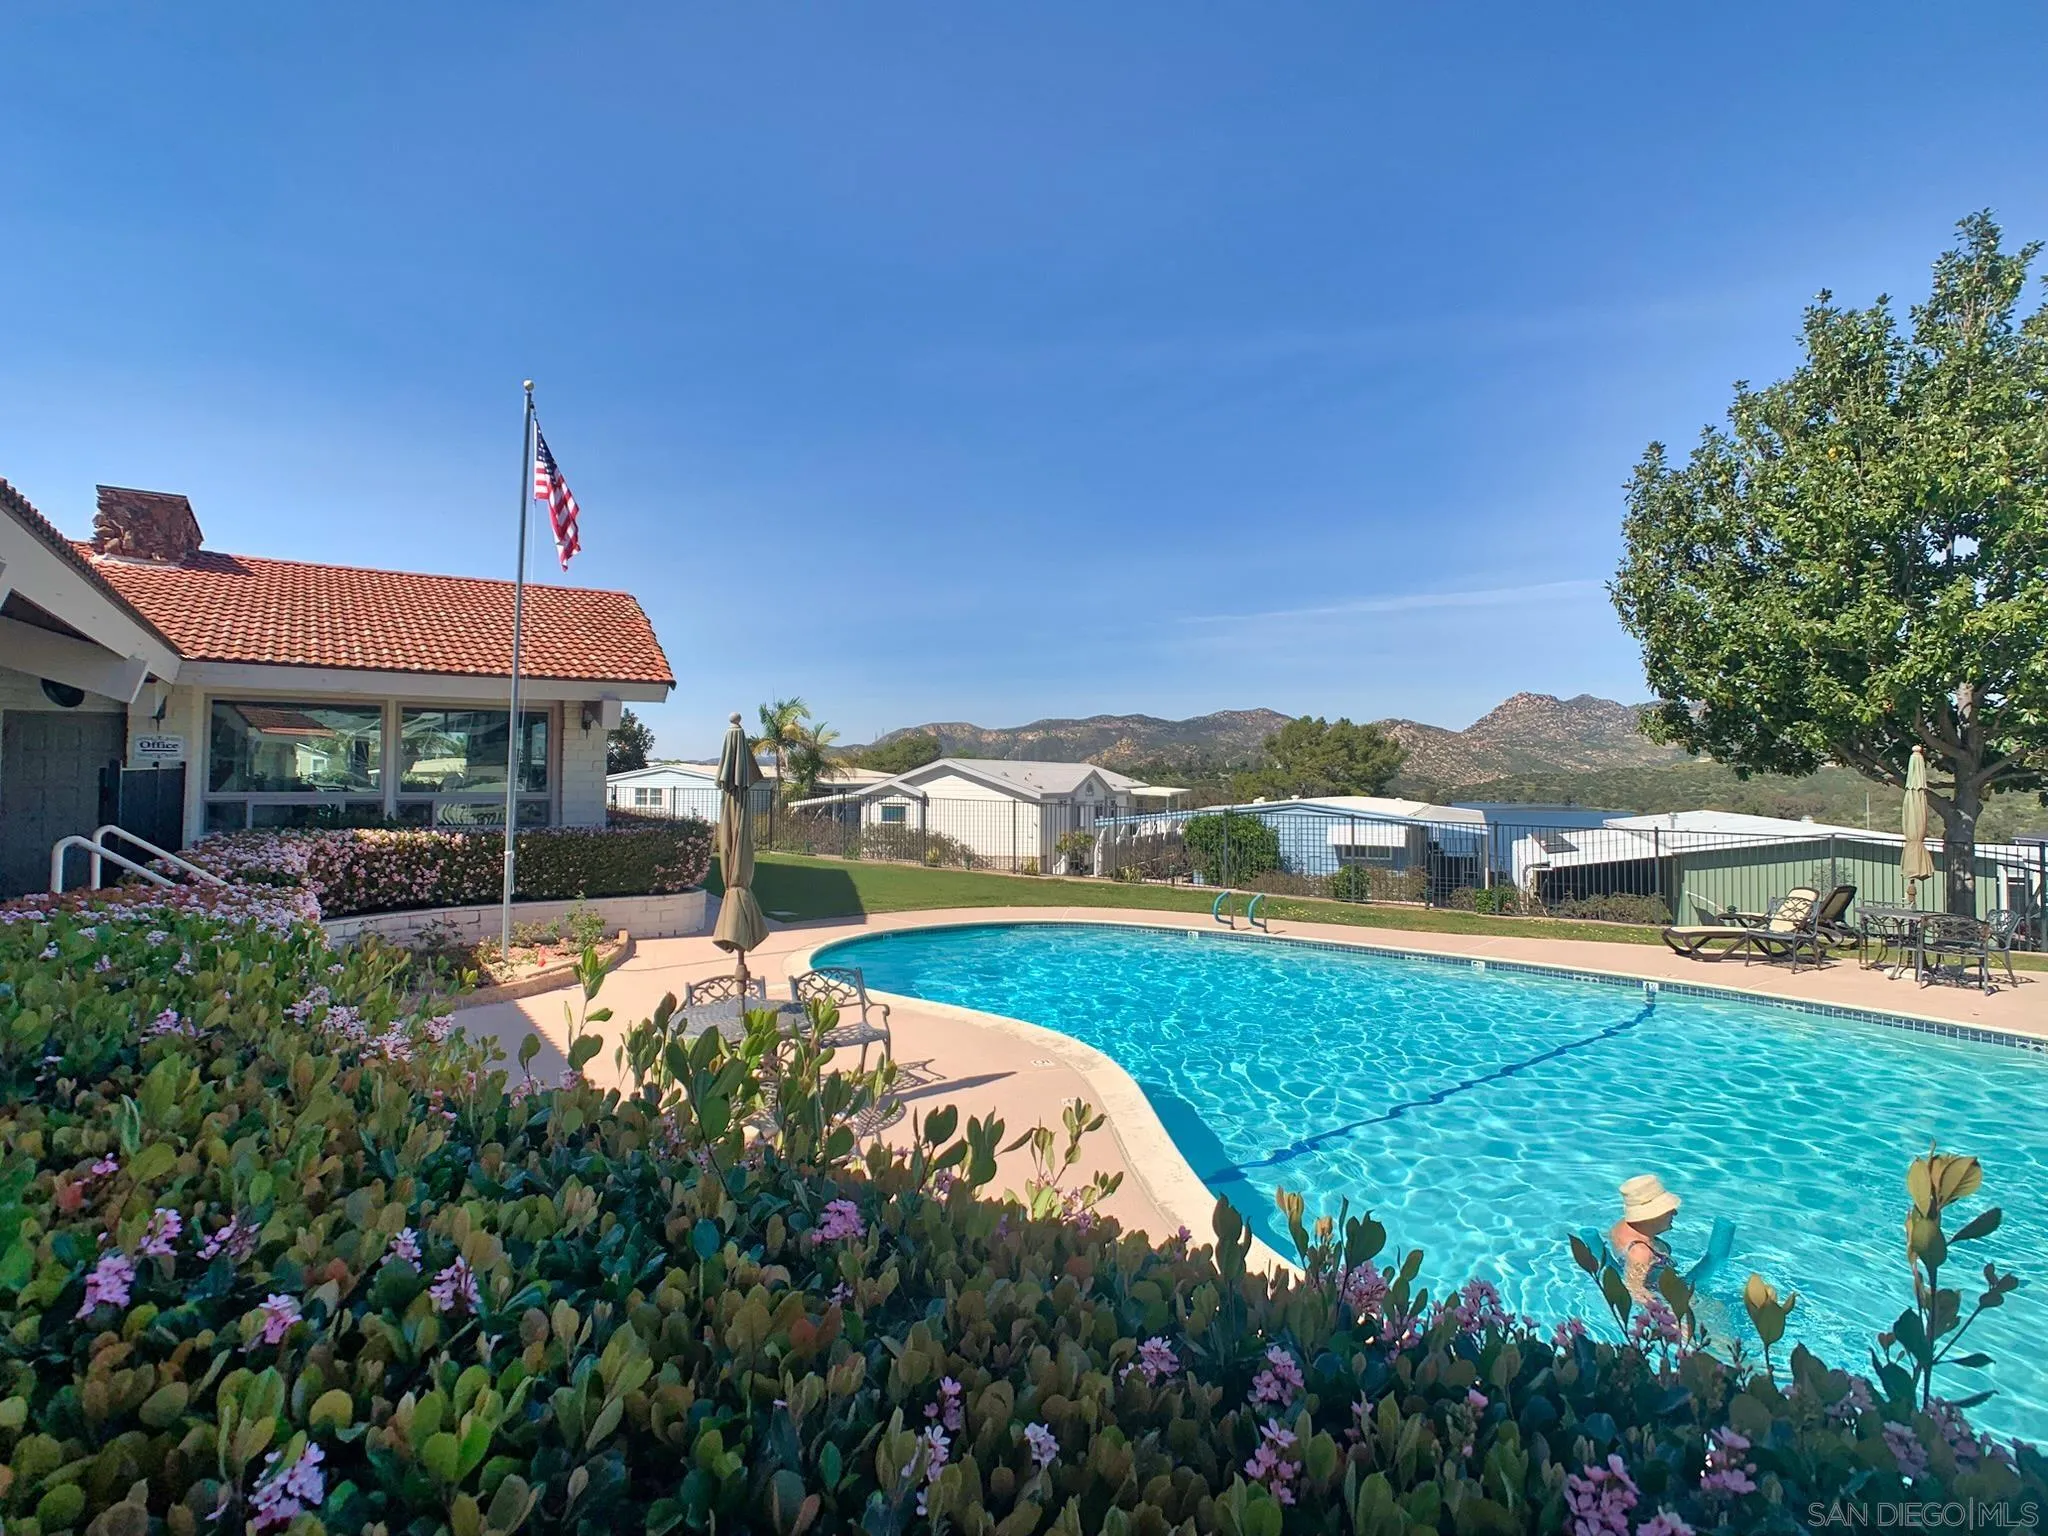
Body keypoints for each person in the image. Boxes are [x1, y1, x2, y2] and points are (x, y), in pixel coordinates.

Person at [1610, 1174, 1680, 1307]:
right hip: (1661, 1293)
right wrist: (1668, 1317)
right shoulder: (1641, 1251)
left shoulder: (1620, 1227)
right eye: (1668, 1210)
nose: (1675, 1213)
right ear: (1651, 1215)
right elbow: (1635, 1291)